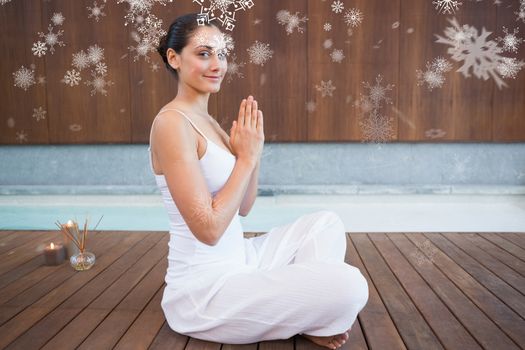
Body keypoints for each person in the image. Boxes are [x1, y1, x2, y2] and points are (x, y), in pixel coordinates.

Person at [148, 13, 369, 350]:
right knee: (351, 285)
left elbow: (245, 207)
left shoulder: (208, 121)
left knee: (326, 223)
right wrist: (246, 160)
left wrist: (254, 154)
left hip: (243, 262)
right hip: (205, 291)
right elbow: (208, 229)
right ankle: (312, 311)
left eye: (221, 54)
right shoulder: (171, 124)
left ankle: (306, 312)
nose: (217, 64)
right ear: (174, 58)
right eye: (204, 53)